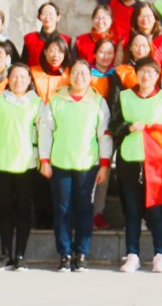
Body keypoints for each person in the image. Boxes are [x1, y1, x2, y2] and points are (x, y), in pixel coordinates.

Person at [40, 58, 112, 272]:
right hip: (60, 163)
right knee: (62, 209)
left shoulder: (98, 102)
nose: (79, 77)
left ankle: (81, 253)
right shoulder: (56, 100)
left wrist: (104, 164)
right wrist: (44, 160)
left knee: (85, 209)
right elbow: (45, 131)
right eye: (75, 73)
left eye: (84, 73)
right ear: (69, 76)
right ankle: (65, 253)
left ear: (90, 77)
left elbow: (104, 135)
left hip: (87, 164)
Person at [112, 58, 162, 272]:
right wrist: (128, 127)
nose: (146, 76)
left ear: (158, 76)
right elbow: (113, 125)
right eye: (142, 71)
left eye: (151, 72)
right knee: (132, 211)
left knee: (156, 212)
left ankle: (160, 254)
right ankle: (132, 254)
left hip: (156, 162)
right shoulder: (125, 96)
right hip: (130, 160)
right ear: (136, 74)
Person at [0, 62, 44, 270]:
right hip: (2, 162)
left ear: (29, 81)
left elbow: (42, 132)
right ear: (8, 79)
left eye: (23, 77)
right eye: (14, 76)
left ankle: (20, 255)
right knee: (5, 209)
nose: (18, 81)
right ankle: (5, 254)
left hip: (27, 164)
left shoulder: (37, 103)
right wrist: (2, 148)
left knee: (24, 209)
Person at [23, 2, 66, 67]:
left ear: (58, 17)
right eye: (44, 14)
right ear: (39, 17)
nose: (47, 17)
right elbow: (23, 63)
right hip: (33, 72)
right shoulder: (30, 39)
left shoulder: (66, 40)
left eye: (51, 14)